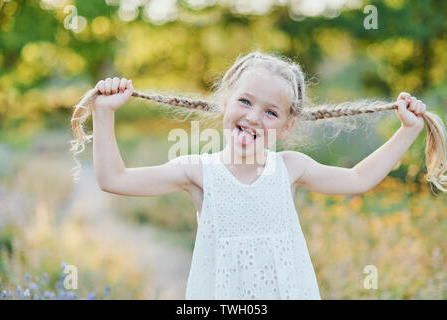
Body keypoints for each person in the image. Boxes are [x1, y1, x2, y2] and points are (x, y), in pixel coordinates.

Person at [69, 51, 447, 299]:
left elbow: (359, 179)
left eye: (270, 112)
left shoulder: (290, 167)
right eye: (245, 101)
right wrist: (105, 114)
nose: (252, 117)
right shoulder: (199, 172)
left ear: (286, 126)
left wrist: (408, 131)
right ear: (225, 103)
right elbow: (113, 179)